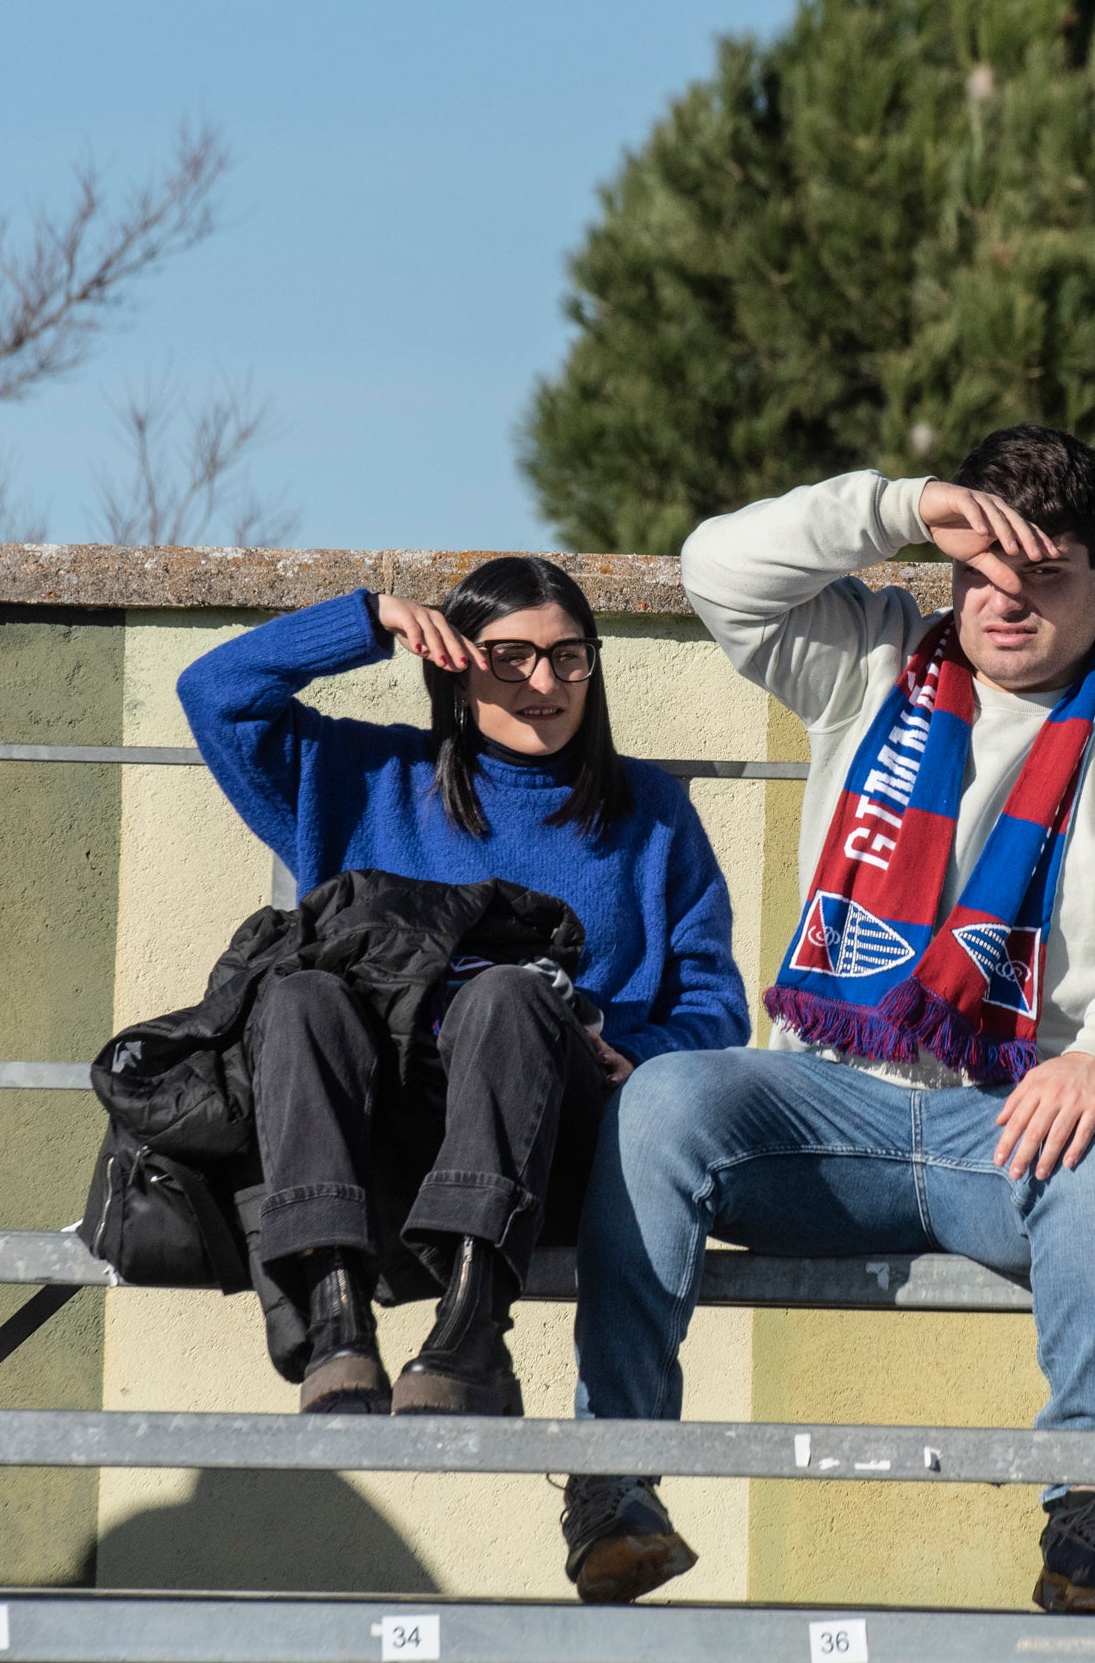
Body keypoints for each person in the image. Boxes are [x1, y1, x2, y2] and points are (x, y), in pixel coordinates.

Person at [561, 425, 1095, 1613]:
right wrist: (899, 501)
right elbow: (714, 570)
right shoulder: (873, 658)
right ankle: (610, 1486)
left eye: (1041, 575)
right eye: (979, 570)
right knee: (664, 1096)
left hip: (1021, 1126)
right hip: (829, 1110)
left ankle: (1087, 1507)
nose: (1003, 601)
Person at [178, 556, 748, 1417]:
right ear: (455, 661)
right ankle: (335, 1317)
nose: (543, 681)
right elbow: (214, 693)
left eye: (568, 656)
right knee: (300, 995)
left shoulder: (650, 811)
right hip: (381, 1144)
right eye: (508, 656)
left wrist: (637, 1053)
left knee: (511, 992)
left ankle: (473, 1332)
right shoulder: (365, 779)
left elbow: (713, 1006)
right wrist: (368, 620)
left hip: (552, 1142)